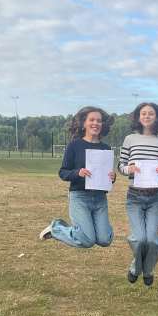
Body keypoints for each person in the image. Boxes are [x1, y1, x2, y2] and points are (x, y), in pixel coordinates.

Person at [40, 106, 117, 249]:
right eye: (91, 120)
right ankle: (56, 229)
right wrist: (77, 173)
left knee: (105, 240)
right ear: (83, 124)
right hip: (80, 197)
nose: (96, 123)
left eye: (99, 121)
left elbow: (108, 175)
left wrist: (112, 176)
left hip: (100, 198)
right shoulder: (74, 145)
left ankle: (96, 229)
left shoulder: (106, 148)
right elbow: (63, 172)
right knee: (87, 240)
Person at [118, 102, 158, 286]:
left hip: (156, 197)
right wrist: (128, 169)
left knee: (152, 240)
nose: (147, 116)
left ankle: (146, 269)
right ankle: (137, 267)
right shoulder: (129, 139)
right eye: (143, 113)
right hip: (134, 196)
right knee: (140, 239)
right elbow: (121, 166)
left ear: (157, 117)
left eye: (151, 113)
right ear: (138, 117)